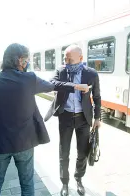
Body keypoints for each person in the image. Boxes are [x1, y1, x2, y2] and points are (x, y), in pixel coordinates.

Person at [0, 43, 88, 196]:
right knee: (27, 183)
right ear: (20, 60)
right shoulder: (29, 79)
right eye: (26, 60)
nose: (27, 63)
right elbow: (52, 86)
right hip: (24, 142)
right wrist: (75, 86)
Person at [44, 44, 101, 196]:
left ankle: (79, 179)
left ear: (81, 59)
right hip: (65, 117)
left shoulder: (91, 74)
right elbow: (52, 84)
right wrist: (76, 86)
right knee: (64, 153)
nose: (66, 62)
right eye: (65, 58)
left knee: (82, 152)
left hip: (84, 118)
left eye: (69, 59)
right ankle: (64, 183)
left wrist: (97, 117)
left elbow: (96, 97)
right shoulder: (61, 70)